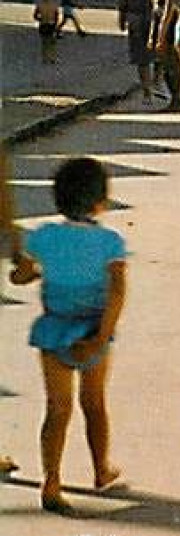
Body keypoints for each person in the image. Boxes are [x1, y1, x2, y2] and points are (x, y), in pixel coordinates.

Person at [9, 158, 127, 513]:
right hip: (92, 328)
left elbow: (22, 277)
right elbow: (118, 291)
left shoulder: (43, 236)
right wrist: (102, 335)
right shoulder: (110, 242)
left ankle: (51, 479)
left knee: (57, 409)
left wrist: (25, 269)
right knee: (94, 405)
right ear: (99, 202)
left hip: (54, 329)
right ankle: (101, 470)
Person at [117, 0, 158, 102]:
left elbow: (122, 5)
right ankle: (156, 83)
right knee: (158, 56)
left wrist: (122, 22)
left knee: (142, 60)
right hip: (154, 21)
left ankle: (147, 91)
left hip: (136, 22)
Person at [33, 0, 63, 64]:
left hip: (43, 24)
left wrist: (41, 19)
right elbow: (57, 15)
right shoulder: (54, 3)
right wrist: (56, 25)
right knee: (52, 42)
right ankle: (53, 58)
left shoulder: (39, 4)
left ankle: (45, 58)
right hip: (51, 24)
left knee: (44, 42)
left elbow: (35, 16)